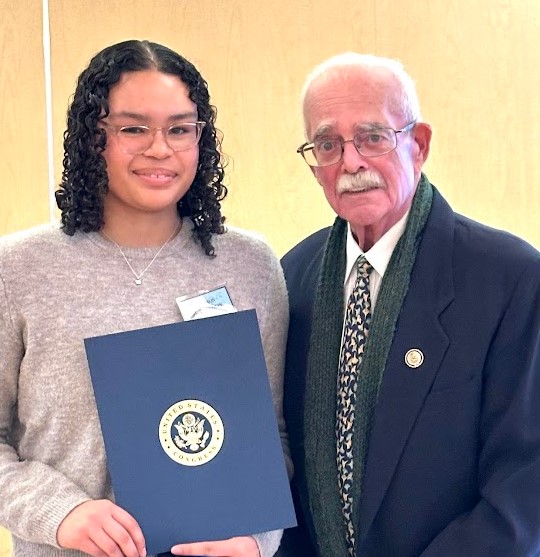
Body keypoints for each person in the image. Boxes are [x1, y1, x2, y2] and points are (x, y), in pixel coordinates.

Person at [0, 40, 290, 557]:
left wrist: (256, 540)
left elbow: (272, 436)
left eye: (180, 129)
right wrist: (59, 513)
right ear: (93, 138)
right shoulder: (19, 268)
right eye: (133, 128)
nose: (160, 148)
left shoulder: (249, 265)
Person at [279, 52, 540, 556]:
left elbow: (526, 486)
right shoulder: (293, 278)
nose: (350, 162)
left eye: (373, 137)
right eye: (328, 144)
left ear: (417, 145)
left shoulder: (510, 278)